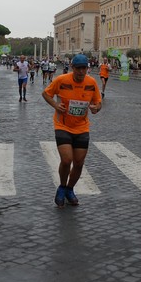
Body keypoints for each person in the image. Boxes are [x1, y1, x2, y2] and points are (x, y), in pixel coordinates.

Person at [42, 54, 102, 208]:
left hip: (82, 127)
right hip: (62, 125)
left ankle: (70, 189)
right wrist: (56, 106)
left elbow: (98, 102)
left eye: (84, 68)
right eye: (78, 68)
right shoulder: (62, 80)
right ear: (73, 68)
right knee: (67, 159)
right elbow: (46, 94)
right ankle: (62, 187)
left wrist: (96, 108)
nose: (81, 72)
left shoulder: (91, 82)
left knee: (79, 163)